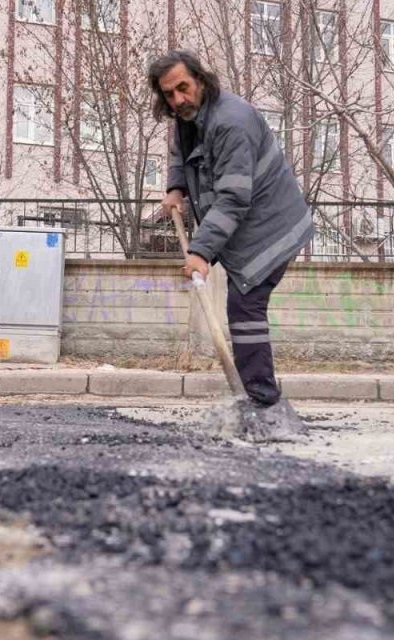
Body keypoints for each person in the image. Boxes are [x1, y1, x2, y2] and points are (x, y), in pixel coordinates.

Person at [148, 49, 313, 409]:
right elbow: (181, 152)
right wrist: (176, 187)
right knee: (243, 305)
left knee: (245, 305)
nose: (178, 100)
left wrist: (200, 252)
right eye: (169, 94)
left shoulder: (231, 123)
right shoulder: (190, 116)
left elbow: (234, 198)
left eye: (183, 88)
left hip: (271, 228)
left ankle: (262, 403)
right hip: (247, 225)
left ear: (200, 80)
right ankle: (256, 398)